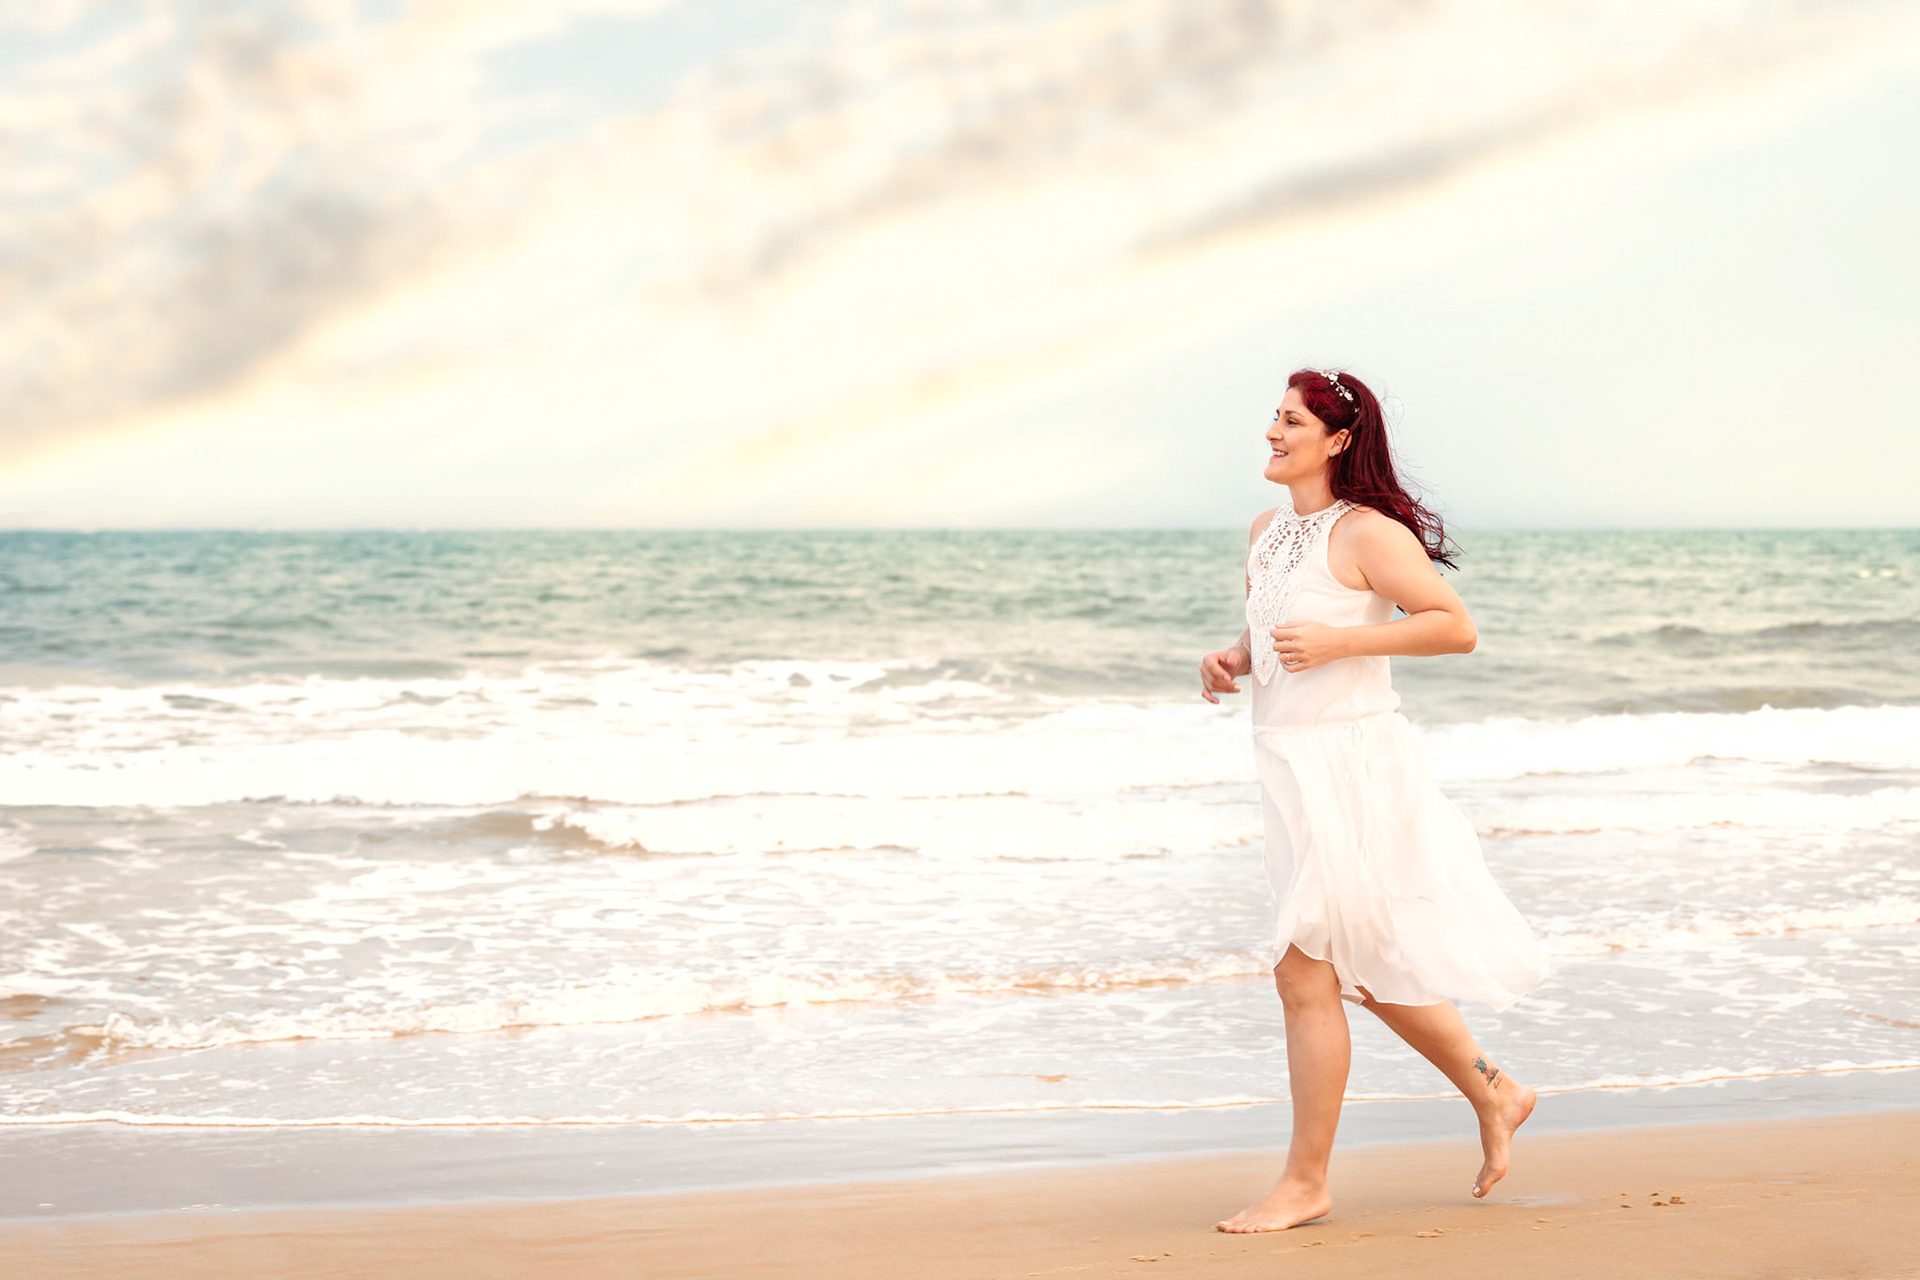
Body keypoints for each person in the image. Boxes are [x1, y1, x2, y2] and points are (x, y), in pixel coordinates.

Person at [1199, 368, 1546, 1233]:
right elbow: (1281, 621)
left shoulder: (1369, 533)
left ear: (1338, 440)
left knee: (1304, 967)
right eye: (1273, 419)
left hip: (1352, 766)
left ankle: (1305, 1182)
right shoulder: (1266, 531)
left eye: (1291, 422)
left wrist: (1343, 641)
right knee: (1356, 960)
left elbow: (1453, 626)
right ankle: (1496, 1091)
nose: (1273, 434)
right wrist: (1237, 658)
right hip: (1288, 768)